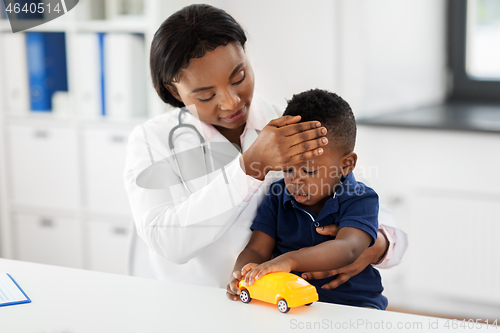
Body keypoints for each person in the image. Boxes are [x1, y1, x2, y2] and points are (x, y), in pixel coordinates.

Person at [123, 4, 407, 293]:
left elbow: (365, 204)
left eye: (239, 78)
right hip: (194, 303)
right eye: (207, 95)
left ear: (247, 56)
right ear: (174, 91)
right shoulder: (151, 140)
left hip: (278, 304)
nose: (231, 101)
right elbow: (166, 242)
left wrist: (376, 244)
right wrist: (249, 167)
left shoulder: (291, 123)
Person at [228, 89, 387, 309]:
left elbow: (348, 247)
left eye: (309, 171)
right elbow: (257, 249)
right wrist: (243, 273)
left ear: (346, 164)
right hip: (294, 303)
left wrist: (289, 260)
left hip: (354, 305)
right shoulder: (277, 196)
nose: (295, 181)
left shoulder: (360, 198)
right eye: (288, 168)